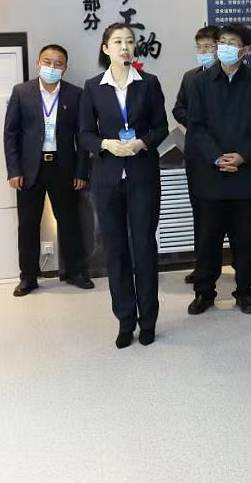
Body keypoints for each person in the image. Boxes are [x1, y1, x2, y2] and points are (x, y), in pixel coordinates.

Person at [79, 23, 168, 349]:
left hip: (142, 176)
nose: (125, 47)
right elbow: (84, 133)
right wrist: (105, 144)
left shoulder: (149, 83)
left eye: (130, 41)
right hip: (107, 179)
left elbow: (161, 127)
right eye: (117, 42)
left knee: (144, 248)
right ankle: (125, 320)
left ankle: (148, 320)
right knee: (115, 251)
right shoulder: (93, 87)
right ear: (106, 49)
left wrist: (142, 142)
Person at [186, 23, 251, 315]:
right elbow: (196, 128)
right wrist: (217, 157)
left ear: (245, 50)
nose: (224, 47)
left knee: (246, 241)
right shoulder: (199, 82)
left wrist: (242, 156)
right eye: (221, 41)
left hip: (247, 176)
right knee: (207, 240)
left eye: (231, 43)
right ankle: (204, 292)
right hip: (210, 175)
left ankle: (245, 292)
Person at [4, 44, 94, 296]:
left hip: (63, 166)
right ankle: (28, 276)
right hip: (29, 169)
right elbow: (11, 134)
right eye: (47, 62)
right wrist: (14, 170)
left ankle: (75, 272)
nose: (52, 67)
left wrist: (81, 171)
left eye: (58, 64)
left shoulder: (76, 94)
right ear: (38, 63)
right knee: (28, 224)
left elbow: (82, 136)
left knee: (69, 221)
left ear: (65, 68)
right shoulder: (22, 92)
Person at [172, 25, 220, 285]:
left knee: (226, 217)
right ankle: (202, 268)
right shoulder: (190, 77)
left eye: (208, 47)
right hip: (197, 157)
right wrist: (195, 122)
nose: (203, 51)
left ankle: (237, 270)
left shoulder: (230, 77)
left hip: (225, 156)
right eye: (200, 47)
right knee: (200, 216)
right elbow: (178, 108)